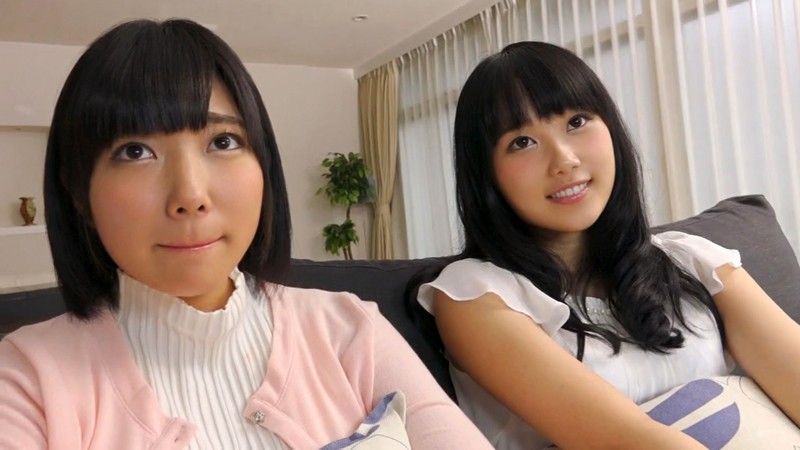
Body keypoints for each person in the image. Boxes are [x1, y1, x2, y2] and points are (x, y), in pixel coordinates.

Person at [0, 19, 493, 450]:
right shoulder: (25, 381)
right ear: (79, 193)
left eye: (223, 141)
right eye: (135, 151)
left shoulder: (349, 330)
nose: (190, 195)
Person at [412, 41, 800, 449]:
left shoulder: (693, 259)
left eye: (577, 121)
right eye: (522, 142)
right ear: (487, 176)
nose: (564, 160)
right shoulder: (475, 295)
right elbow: (632, 443)